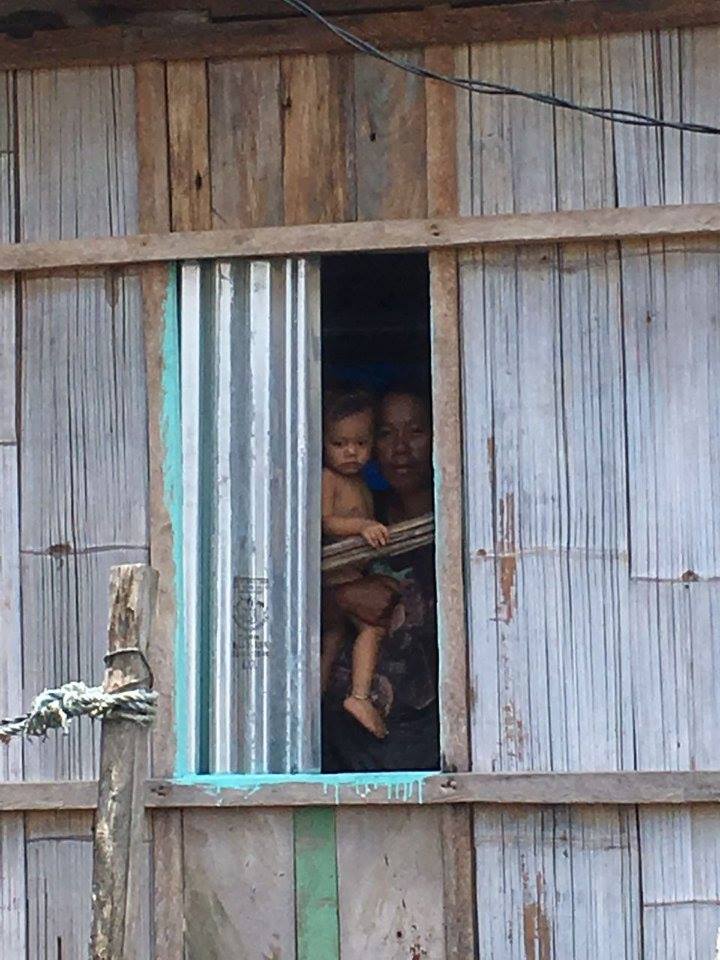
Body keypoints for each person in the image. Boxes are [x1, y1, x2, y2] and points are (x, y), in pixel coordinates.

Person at [322, 385, 440, 772]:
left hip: (425, 741)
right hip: (341, 748)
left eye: (416, 431)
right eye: (387, 434)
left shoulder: (458, 524)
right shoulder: (364, 518)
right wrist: (343, 598)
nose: (401, 448)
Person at [321, 389, 391, 739]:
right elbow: (326, 522)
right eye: (339, 443)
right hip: (338, 577)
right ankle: (359, 697)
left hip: (354, 573)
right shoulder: (329, 479)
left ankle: (315, 699)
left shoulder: (362, 483)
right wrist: (363, 526)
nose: (351, 452)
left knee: (333, 638)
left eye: (361, 443)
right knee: (371, 628)